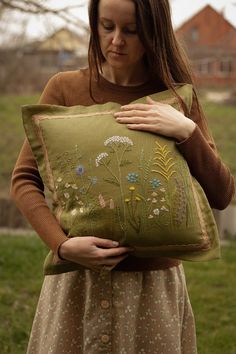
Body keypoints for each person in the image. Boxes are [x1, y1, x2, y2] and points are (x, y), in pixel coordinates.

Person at [11, 0, 235, 353]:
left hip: (153, 288)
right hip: (77, 283)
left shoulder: (176, 97)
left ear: (154, 32)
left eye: (131, 31)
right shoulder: (65, 89)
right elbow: (24, 180)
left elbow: (223, 194)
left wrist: (186, 131)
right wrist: (63, 245)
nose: (116, 40)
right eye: (106, 27)